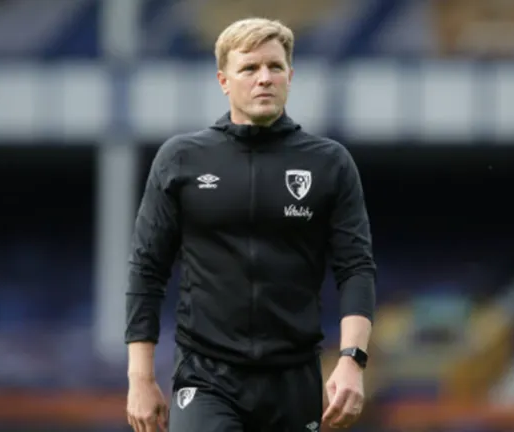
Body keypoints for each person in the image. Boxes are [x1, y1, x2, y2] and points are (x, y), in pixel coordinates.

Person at [125, 17, 377, 432]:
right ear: (224, 80)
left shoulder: (329, 163)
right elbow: (146, 269)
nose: (264, 78)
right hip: (206, 378)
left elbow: (356, 268)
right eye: (250, 68)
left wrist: (352, 361)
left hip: (294, 382)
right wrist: (141, 377)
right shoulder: (181, 159)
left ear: (290, 76)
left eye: (275, 67)